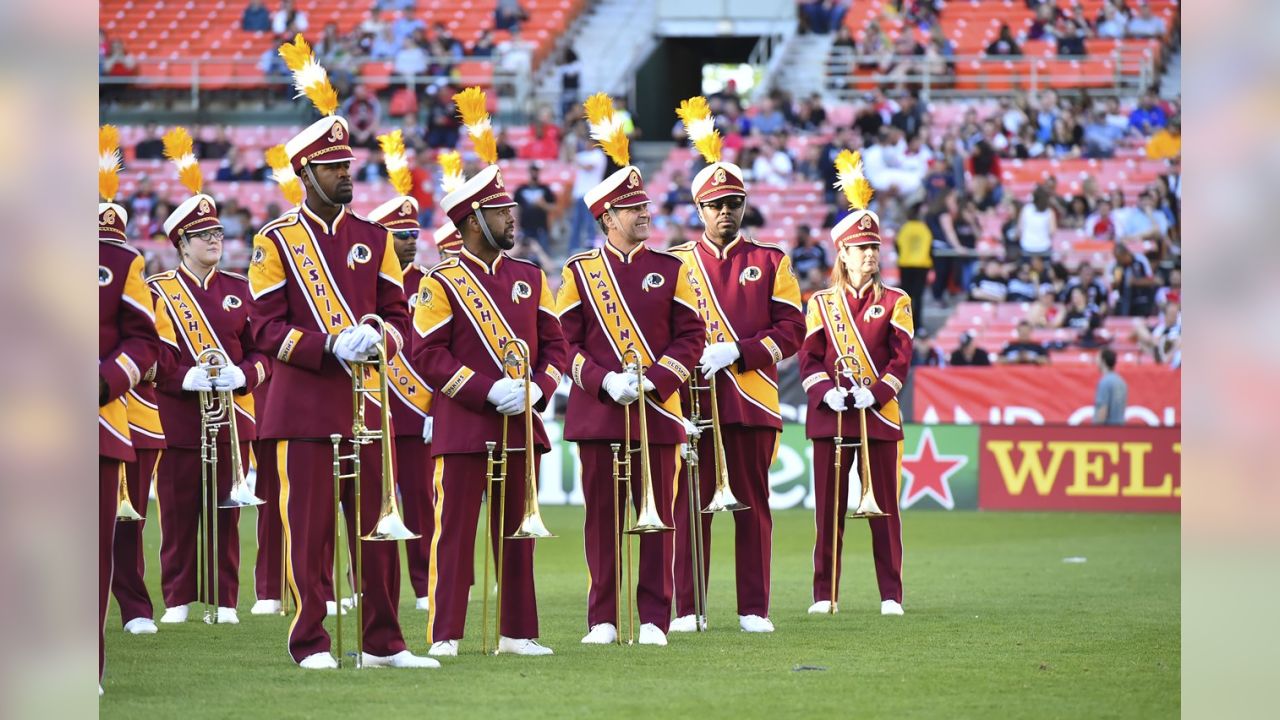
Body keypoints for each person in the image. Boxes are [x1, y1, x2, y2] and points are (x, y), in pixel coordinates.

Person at [247, 41, 434, 670]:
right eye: (333, 167)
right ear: (306, 173)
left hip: (367, 405)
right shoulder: (274, 241)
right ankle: (309, 642)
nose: (346, 174)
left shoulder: (373, 238)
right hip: (303, 406)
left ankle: (385, 643)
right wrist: (328, 343)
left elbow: (400, 313)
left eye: (348, 164)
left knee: (379, 531)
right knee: (310, 531)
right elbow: (262, 329)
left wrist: (380, 335)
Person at [410, 87, 567, 658]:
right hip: (462, 425)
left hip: (520, 422)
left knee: (517, 535)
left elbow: (556, 343)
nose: (512, 217)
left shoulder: (529, 273)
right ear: (474, 219)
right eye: (502, 211)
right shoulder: (439, 281)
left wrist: (534, 389)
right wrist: (486, 390)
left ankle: (518, 632)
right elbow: (426, 356)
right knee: (453, 535)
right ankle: (444, 632)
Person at [558, 97, 704, 646]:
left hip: (658, 411)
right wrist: (604, 381)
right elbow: (563, 344)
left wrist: (657, 380)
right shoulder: (578, 271)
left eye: (644, 206)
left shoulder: (672, 269)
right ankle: (601, 618)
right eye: (632, 209)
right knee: (600, 522)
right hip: (598, 413)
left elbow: (693, 338)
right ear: (606, 219)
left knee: (656, 521)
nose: (644, 214)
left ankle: (652, 618)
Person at [669, 96, 806, 634]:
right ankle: (688, 608)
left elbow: (792, 330)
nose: (725, 212)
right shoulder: (676, 262)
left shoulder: (772, 260)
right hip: (693, 403)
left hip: (750, 401)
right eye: (716, 204)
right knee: (689, 510)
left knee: (753, 508)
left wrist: (740, 351)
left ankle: (754, 608)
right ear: (699, 210)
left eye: (734, 202)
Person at [146, 128, 268, 629]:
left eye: (219, 235)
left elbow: (266, 352)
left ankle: (223, 600)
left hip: (231, 418)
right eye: (205, 237)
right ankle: (177, 599)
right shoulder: (159, 292)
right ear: (182, 243)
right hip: (177, 419)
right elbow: (151, 355)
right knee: (177, 515)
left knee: (227, 514)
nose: (216, 242)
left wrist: (244, 375)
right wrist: (183, 378)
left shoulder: (242, 289)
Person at [798, 181, 912, 617]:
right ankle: (824, 595)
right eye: (860, 247)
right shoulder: (820, 304)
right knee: (828, 515)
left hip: (878, 418)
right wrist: (829, 394)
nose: (869, 254)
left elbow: (901, 360)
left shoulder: (897, 301)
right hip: (832, 418)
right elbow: (808, 360)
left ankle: (891, 595)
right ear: (841, 253)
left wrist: (876, 393)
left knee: (884, 510)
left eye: (874, 246)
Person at [366, 131, 442, 613]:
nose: (410, 243)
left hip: (417, 413)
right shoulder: (362, 284)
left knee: (421, 505)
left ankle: (423, 585)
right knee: (363, 500)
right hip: (372, 403)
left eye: (414, 235)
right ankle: (361, 582)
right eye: (401, 236)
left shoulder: (430, 285)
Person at [99, 126, 161, 694]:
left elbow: (146, 344)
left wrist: (102, 382)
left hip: (116, 413)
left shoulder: (121, 265)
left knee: (114, 530)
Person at [895, 201, 932, 325]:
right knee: (918, 296)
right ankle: (918, 323)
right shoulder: (924, 229)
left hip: (905, 264)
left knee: (906, 296)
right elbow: (930, 247)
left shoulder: (905, 228)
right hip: (921, 265)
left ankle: (905, 322)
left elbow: (897, 245)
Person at [514, 162, 556, 249]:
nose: (534, 173)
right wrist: (516, 228)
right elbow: (516, 209)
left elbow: (554, 208)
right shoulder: (520, 189)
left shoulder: (545, 189)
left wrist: (543, 205)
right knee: (524, 256)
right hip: (525, 227)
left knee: (543, 254)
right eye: (532, 171)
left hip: (541, 227)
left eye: (536, 171)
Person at [1093, 348, 1128, 424]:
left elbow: (1103, 409)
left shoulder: (1104, 382)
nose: (1095, 362)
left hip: (1106, 431)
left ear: (1103, 361)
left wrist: (1096, 430)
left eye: (1097, 358)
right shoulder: (1121, 382)